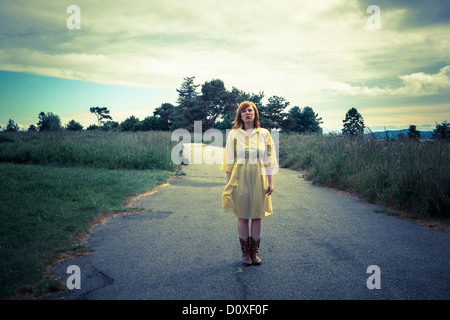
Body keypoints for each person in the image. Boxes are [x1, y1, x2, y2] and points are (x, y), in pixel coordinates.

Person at [221, 101, 278, 266]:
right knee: (243, 216)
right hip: (239, 179)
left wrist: (271, 182)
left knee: (258, 216)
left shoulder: (264, 133)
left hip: (260, 179)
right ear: (240, 115)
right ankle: (245, 253)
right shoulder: (234, 134)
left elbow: (270, 160)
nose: (247, 113)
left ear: (255, 114)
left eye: (250, 110)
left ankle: (255, 252)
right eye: (244, 111)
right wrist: (229, 184)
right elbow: (228, 161)